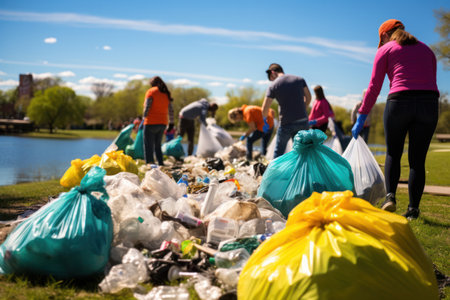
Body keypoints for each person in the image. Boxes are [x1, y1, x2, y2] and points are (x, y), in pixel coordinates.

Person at [352, 19, 439, 220]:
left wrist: (362, 115)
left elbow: (374, 86)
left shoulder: (386, 49)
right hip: (429, 104)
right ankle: (413, 210)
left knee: (393, 153)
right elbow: (431, 81)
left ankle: (390, 196)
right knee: (418, 160)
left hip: (399, 103)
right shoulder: (427, 50)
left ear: (384, 35)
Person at [261, 63, 311, 158]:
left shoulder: (273, 86)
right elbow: (308, 97)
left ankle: (276, 173)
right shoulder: (299, 79)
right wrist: (302, 109)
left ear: (273, 72)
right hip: (303, 121)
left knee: (279, 152)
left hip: (286, 123)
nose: (273, 81)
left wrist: (264, 120)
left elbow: (265, 108)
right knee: (302, 152)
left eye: (272, 78)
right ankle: (303, 172)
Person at [142, 76, 175, 165]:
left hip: (150, 122)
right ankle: (160, 163)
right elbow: (171, 110)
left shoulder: (151, 91)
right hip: (163, 123)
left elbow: (147, 107)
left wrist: (143, 118)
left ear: (152, 84)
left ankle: (150, 164)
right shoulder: (166, 93)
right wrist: (171, 123)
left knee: (148, 146)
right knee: (157, 145)